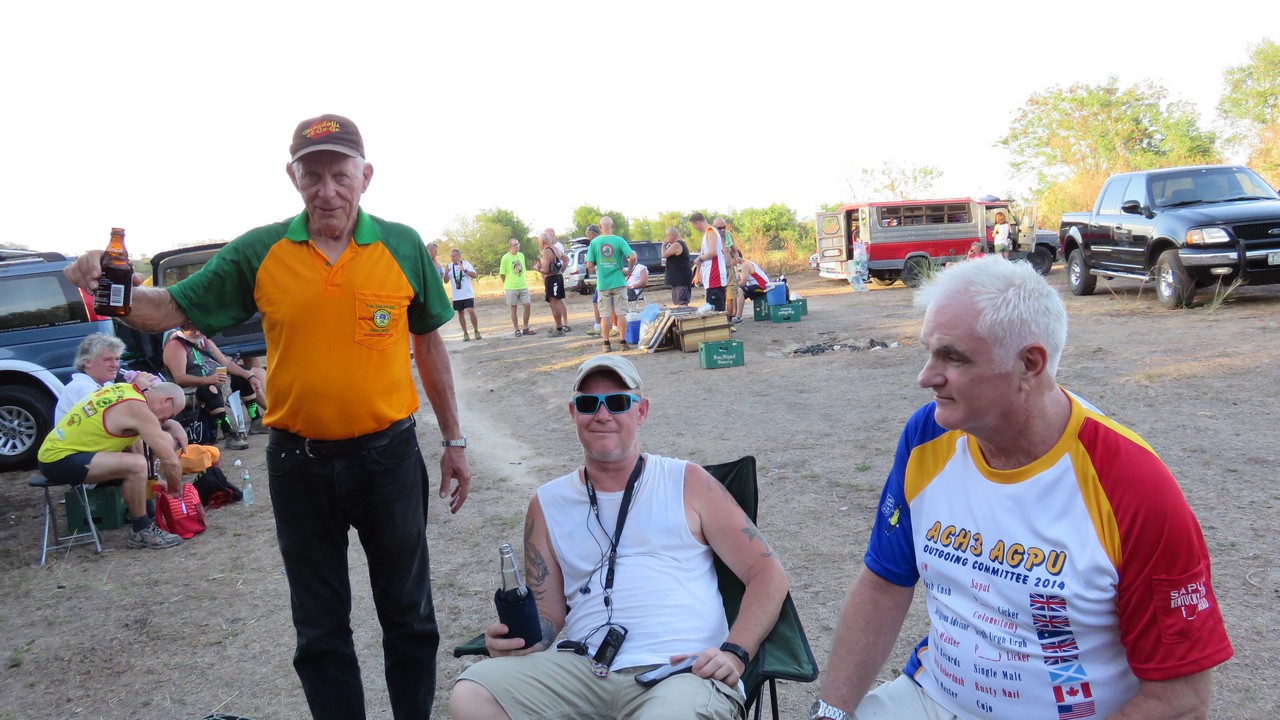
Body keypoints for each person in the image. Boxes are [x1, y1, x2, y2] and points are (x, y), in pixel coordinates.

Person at [62, 113, 472, 720]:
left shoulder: (402, 245)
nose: (327, 191)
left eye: (340, 175)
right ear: (292, 177)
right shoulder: (261, 250)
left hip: (388, 457)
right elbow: (165, 307)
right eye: (312, 176)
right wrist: (103, 281)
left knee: (409, 615)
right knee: (319, 626)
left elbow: (429, 344)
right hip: (300, 465)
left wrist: (454, 440)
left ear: (366, 176)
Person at [811, 256, 1233, 720]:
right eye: (929, 352)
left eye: (952, 357)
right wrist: (831, 713)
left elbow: (1181, 701)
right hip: (933, 697)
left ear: (1029, 364)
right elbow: (883, 584)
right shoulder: (928, 436)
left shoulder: (1132, 485)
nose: (925, 376)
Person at [450, 355, 789, 720]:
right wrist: (517, 641)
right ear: (573, 413)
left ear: (641, 411)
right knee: (472, 695)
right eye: (588, 404)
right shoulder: (546, 504)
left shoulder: (688, 483)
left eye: (617, 402)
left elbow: (767, 573)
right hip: (582, 668)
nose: (602, 415)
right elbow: (547, 613)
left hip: (680, 671)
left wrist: (735, 653)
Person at [38, 381, 188, 549]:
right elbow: (170, 461)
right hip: (59, 459)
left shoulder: (127, 392)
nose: (166, 420)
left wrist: (153, 481)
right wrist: (174, 492)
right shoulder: (138, 410)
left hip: (57, 453)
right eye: (170, 415)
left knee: (139, 461)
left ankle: (142, 512)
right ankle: (141, 531)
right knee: (137, 465)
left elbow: (135, 445)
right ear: (167, 400)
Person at [56, 333, 188, 450]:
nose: (115, 365)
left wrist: (172, 423)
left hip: (96, 444)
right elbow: (120, 418)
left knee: (159, 436)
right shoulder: (81, 387)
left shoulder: (106, 384)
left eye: (117, 359)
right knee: (149, 438)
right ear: (87, 363)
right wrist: (137, 390)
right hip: (78, 450)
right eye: (108, 360)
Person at [163, 321, 261, 448]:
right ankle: (229, 434)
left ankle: (257, 421)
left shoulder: (205, 340)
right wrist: (209, 379)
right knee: (210, 389)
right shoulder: (175, 346)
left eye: (199, 329)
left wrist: (249, 376)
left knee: (241, 377)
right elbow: (179, 378)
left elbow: (226, 363)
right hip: (189, 391)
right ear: (183, 328)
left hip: (214, 382)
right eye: (192, 330)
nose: (197, 333)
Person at [586, 216, 637, 352]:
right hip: (618, 281)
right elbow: (632, 256)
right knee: (621, 313)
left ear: (600, 227)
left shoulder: (594, 242)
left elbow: (589, 265)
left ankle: (606, 344)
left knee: (605, 315)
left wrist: (598, 267)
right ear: (612, 226)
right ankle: (622, 342)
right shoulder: (619, 240)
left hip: (603, 284)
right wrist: (628, 270)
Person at [533, 230, 571, 335]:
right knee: (557, 301)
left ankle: (559, 328)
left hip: (551, 279)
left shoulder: (547, 251)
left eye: (539, 242)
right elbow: (566, 259)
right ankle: (560, 327)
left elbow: (546, 270)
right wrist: (561, 271)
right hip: (558, 278)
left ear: (542, 242)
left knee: (554, 303)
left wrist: (537, 268)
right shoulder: (556, 249)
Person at [500, 238, 537, 337]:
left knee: (527, 305)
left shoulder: (521, 255)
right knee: (513, 308)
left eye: (518, 244)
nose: (517, 246)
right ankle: (516, 329)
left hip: (522, 285)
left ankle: (525, 327)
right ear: (510, 246)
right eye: (515, 244)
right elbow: (502, 274)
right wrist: (506, 283)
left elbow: (522, 270)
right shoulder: (505, 258)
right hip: (511, 287)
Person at [692, 213, 727, 312]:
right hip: (710, 276)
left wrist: (699, 259)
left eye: (694, 225)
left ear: (698, 222)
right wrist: (698, 272)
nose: (695, 228)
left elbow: (712, 253)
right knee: (712, 306)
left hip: (715, 275)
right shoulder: (707, 233)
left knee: (716, 309)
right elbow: (705, 253)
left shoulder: (711, 232)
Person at [447, 247, 482, 341]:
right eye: (451, 256)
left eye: (454, 256)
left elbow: (474, 275)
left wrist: (464, 270)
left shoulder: (466, 264)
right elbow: (446, 281)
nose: (452, 258)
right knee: (460, 313)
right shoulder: (449, 266)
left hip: (468, 294)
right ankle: (465, 333)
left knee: (471, 311)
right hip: (457, 296)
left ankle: (476, 331)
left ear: (459, 256)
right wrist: (446, 273)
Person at [714, 219, 740, 321]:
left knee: (730, 296)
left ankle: (729, 320)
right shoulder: (711, 237)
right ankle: (718, 320)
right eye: (719, 228)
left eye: (724, 227)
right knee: (718, 297)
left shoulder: (728, 235)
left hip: (729, 270)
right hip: (717, 271)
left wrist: (736, 258)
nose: (722, 230)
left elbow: (734, 251)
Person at [661, 226, 693, 306]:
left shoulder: (677, 244)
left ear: (673, 235)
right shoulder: (679, 243)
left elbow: (664, 254)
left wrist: (663, 245)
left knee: (682, 302)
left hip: (681, 279)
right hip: (677, 280)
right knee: (677, 302)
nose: (667, 239)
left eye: (667, 236)